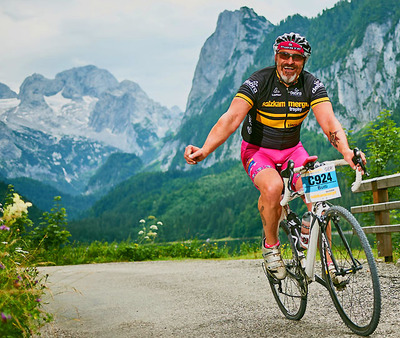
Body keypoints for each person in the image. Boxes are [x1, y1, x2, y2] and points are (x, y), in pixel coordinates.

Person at [184, 32, 365, 280]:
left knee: (319, 194)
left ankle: (328, 259)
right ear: (276, 56)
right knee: (273, 187)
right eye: (284, 55)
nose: (289, 61)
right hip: (257, 151)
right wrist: (205, 150)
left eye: (296, 57)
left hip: (293, 150)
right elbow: (232, 118)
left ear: (304, 61)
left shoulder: (311, 84)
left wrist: (347, 152)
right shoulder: (259, 81)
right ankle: (271, 247)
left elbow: (329, 123)